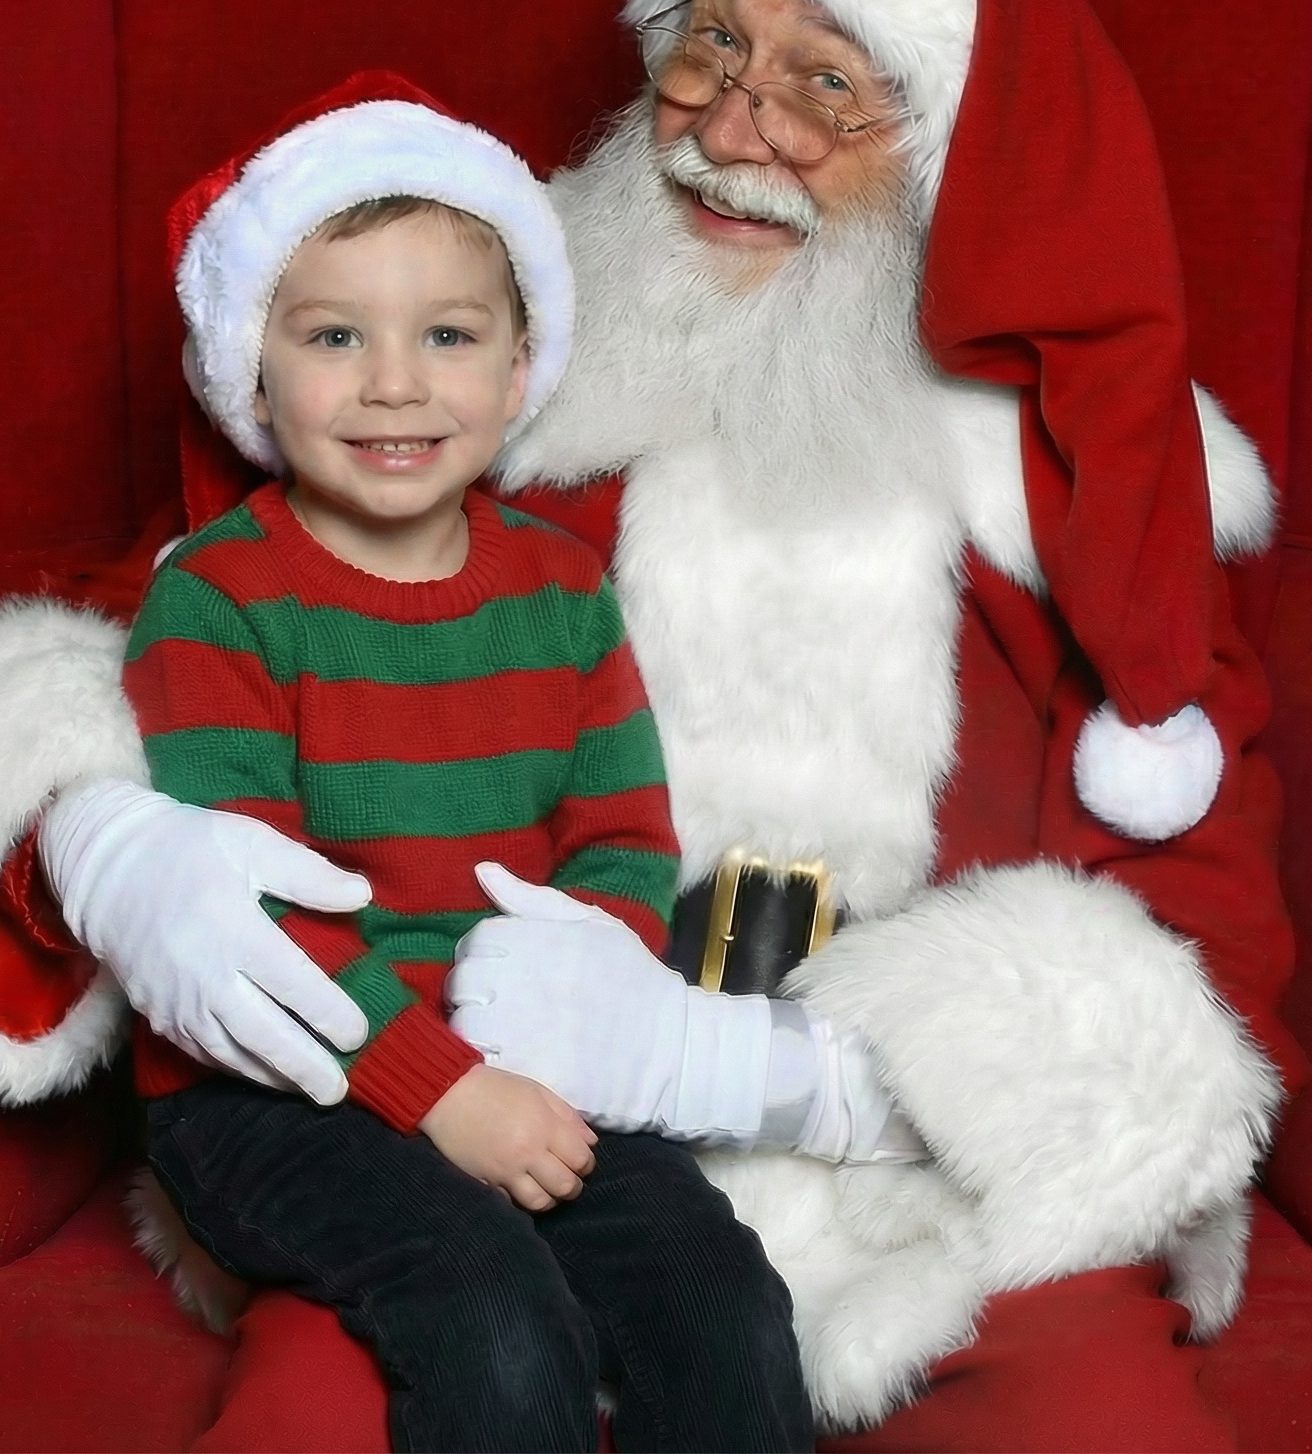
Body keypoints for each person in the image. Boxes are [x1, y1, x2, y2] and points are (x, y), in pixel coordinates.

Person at [0, 0, 1294, 1448]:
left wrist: (753, 1075)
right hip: (446, 1106)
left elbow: (1196, 969)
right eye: (709, 51)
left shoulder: (1080, 503)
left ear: (952, 147)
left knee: (1100, 1431)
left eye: (825, 88)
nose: (734, 131)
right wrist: (109, 845)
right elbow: (182, 618)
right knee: (327, 1419)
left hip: (917, 1201)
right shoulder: (482, 376)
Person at [109, 74, 811, 1452]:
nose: (393, 385)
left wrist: (571, 1000)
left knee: (721, 1303)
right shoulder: (221, 599)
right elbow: (253, 918)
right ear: (255, 365)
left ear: (514, 365)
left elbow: (619, 835)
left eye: (445, 335)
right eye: (332, 336)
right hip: (279, 1083)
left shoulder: (558, 590)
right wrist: (447, 1094)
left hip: (521, 1057)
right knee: (497, 1326)